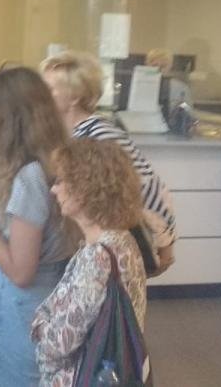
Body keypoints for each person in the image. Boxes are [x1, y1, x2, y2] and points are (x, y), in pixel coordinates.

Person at [0, 67, 76, 387]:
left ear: (11, 120)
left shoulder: (29, 177)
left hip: (23, 308)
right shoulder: (56, 159)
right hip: (45, 300)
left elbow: (21, 271)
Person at [40, 51, 178, 275]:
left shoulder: (99, 136)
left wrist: (165, 244)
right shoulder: (71, 134)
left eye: (48, 89)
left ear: (74, 97)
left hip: (116, 248)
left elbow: (148, 189)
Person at [31, 140, 148, 387]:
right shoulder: (126, 242)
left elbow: (58, 344)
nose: (54, 190)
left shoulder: (96, 257)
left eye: (61, 181)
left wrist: (39, 329)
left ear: (85, 189)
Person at [145, 48, 191, 122]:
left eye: (163, 66)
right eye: (155, 65)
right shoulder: (138, 86)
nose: (159, 69)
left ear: (170, 66)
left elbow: (188, 110)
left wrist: (179, 108)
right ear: (147, 65)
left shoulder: (181, 88)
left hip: (172, 126)